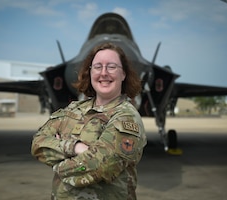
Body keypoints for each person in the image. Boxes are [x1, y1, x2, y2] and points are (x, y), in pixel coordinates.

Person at [31, 42, 147, 200]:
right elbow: (38, 143)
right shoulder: (73, 110)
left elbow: (99, 166)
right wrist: (76, 148)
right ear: (90, 72)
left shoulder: (127, 118)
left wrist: (58, 165)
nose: (104, 73)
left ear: (124, 74)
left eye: (112, 67)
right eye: (98, 67)